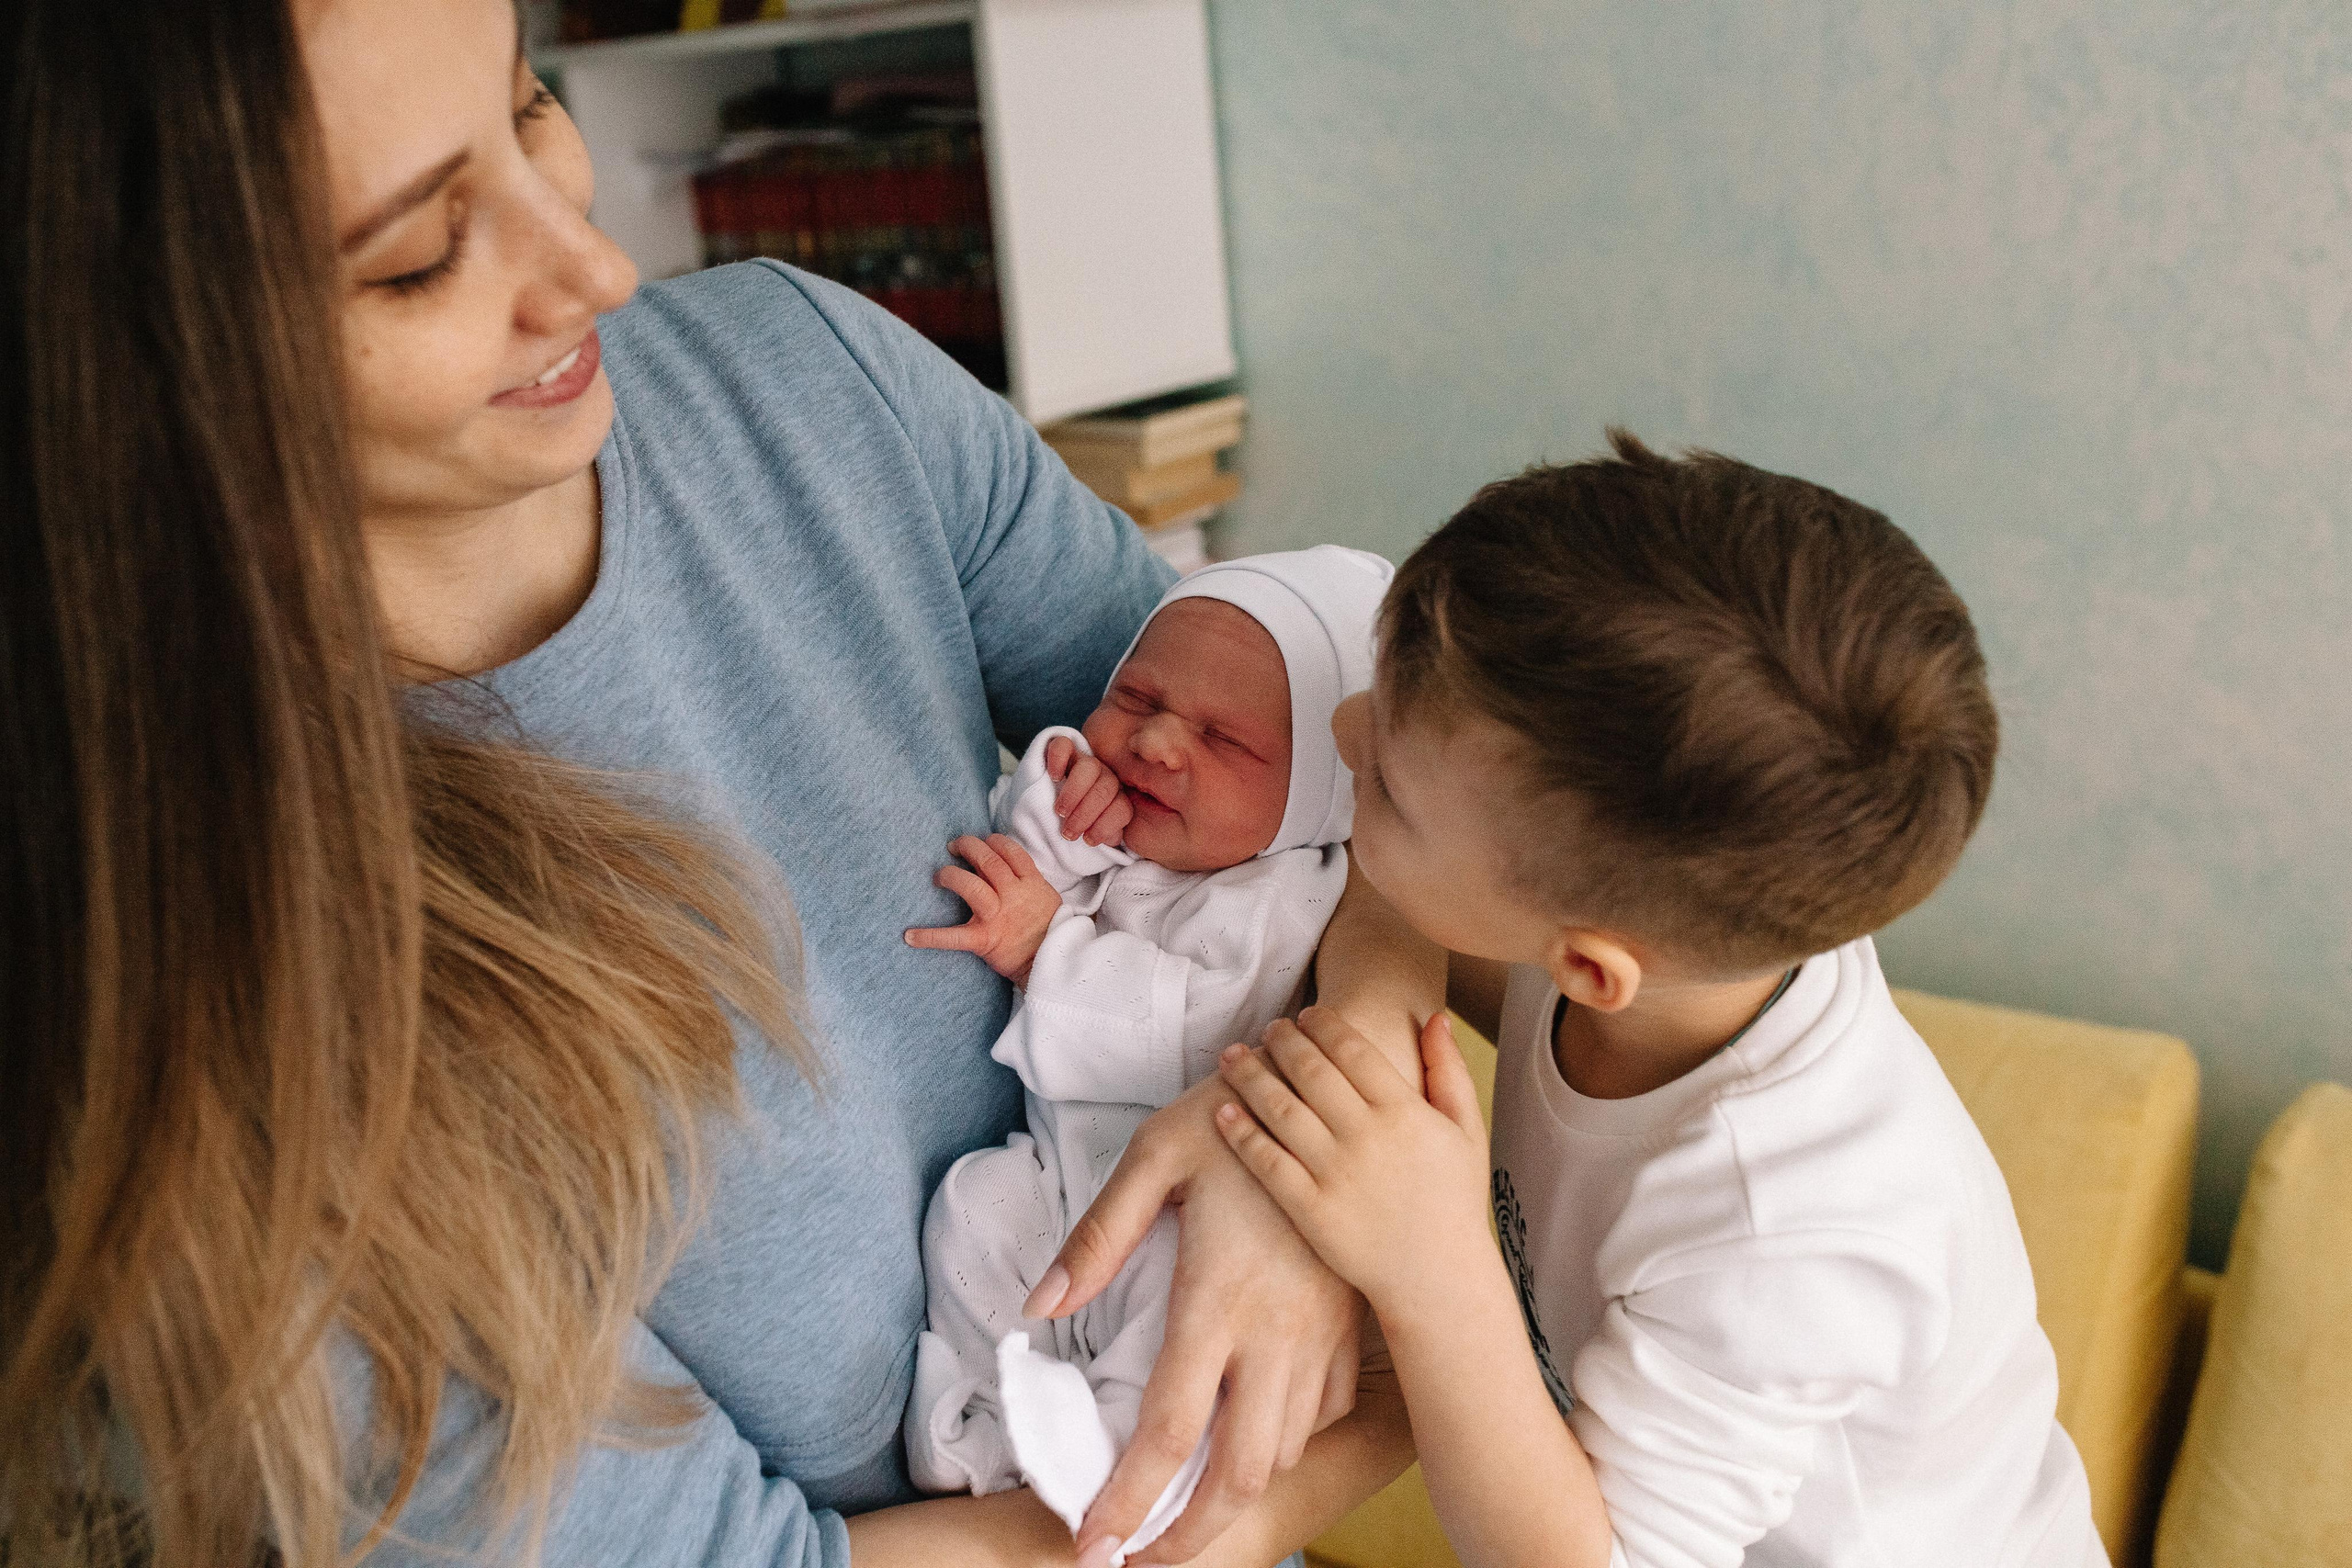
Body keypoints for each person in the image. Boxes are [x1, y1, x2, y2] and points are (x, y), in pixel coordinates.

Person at [0, 3, 1435, 1565]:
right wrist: (1305, 1465)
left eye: (530, 106)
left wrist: (1299, 1149)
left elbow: (1362, 788)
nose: (597, 270)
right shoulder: (193, 1007)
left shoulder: (804, 379)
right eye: (417, 253)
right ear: (131, 361)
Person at [1208, 434, 2107, 1567]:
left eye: (1385, 779)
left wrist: (1433, 1267)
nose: (1341, 729)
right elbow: (1392, 908)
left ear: (1587, 968)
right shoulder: (1694, 933)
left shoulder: (1789, 1233)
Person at [903, 548, 1393, 1562]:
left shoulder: (1288, 894)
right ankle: (989, 1425)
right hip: (1056, 1173)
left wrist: (1048, 949)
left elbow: (1187, 1035)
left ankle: (1133, 1482)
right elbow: (1019, 855)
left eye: (1224, 740)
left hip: (1183, 1199)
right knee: (970, 1209)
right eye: (1136, 696)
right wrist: (1061, 805)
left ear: (1317, 798)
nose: (1161, 741)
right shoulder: (1132, 833)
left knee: (1181, 1324)